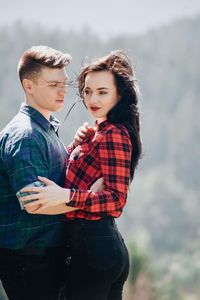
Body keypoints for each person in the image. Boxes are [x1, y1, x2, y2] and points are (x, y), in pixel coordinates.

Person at [20, 50, 142, 300]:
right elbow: (74, 176)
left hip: (94, 248)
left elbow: (116, 199)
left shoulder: (113, 134)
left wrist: (68, 196)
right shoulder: (97, 133)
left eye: (102, 92)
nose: (92, 99)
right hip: (97, 248)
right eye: (87, 91)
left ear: (120, 94)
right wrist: (75, 147)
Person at [0, 45, 93, 300]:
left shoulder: (45, 127)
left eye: (64, 83)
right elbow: (35, 203)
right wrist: (87, 200)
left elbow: (55, 180)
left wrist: (75, 146)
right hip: (29, 261)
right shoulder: (25, 135)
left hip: (45, 256)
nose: (63, 91)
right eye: (53, 85)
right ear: (28, 86)